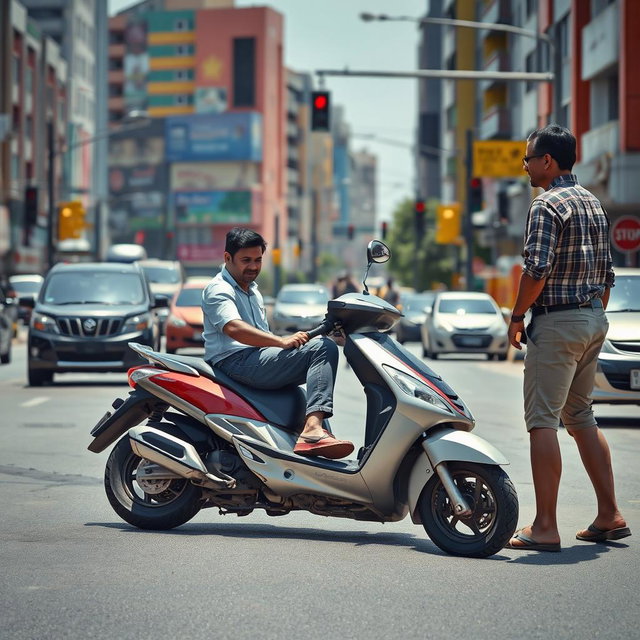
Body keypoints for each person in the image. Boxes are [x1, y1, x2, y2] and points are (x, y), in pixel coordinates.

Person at [506, 125, 630, 552]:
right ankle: (609, 514)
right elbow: (609, 276)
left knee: (543, 421)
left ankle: (544, 527)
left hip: (558, 324)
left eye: (528, 158)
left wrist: (518, 315)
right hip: (594, 319)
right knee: (580, 416)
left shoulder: (547, 205)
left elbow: (536, 270)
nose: (524, 165)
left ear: (547, 161)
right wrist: (591, 316)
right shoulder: (594, 203)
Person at [202, 227, 354, 460]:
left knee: (308, 392)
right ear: (227, 258)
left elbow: (260, 335)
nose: (253, 266)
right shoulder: (219, 289)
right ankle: (312, 431)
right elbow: (233, 328)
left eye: (257, 260)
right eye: (246, 260)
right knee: (323, 348)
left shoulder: (253, 290)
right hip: (234, 362)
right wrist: (281, 342)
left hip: (256, 359)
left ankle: (315, 448)